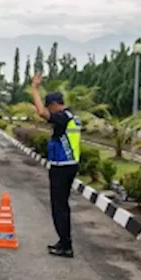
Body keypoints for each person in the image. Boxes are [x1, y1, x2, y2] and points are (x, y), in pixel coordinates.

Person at [30, 72, 81, 258]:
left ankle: (66, 245)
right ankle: (63, 241)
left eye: (50, 107)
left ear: (54, 105)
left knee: (59, 207)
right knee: (62, 205)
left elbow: (41, 112)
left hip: (62, 167)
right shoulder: (72, 116)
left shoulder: (62, 117)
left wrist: (34, 88)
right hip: (70, 165)